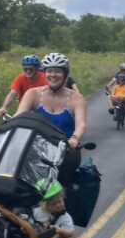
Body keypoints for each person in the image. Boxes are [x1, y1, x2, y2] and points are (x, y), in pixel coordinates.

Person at [16, 52, 87, 186]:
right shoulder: (33, 94)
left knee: (61, 188)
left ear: (65, 74)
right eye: (49, 71)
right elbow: (19, 116)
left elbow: (81, 125)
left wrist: (74, 138)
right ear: (44, 73)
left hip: (65, 151)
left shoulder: (76, 99)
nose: (53, 75)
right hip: (37, 150)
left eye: (57, 71)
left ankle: (64, 202)